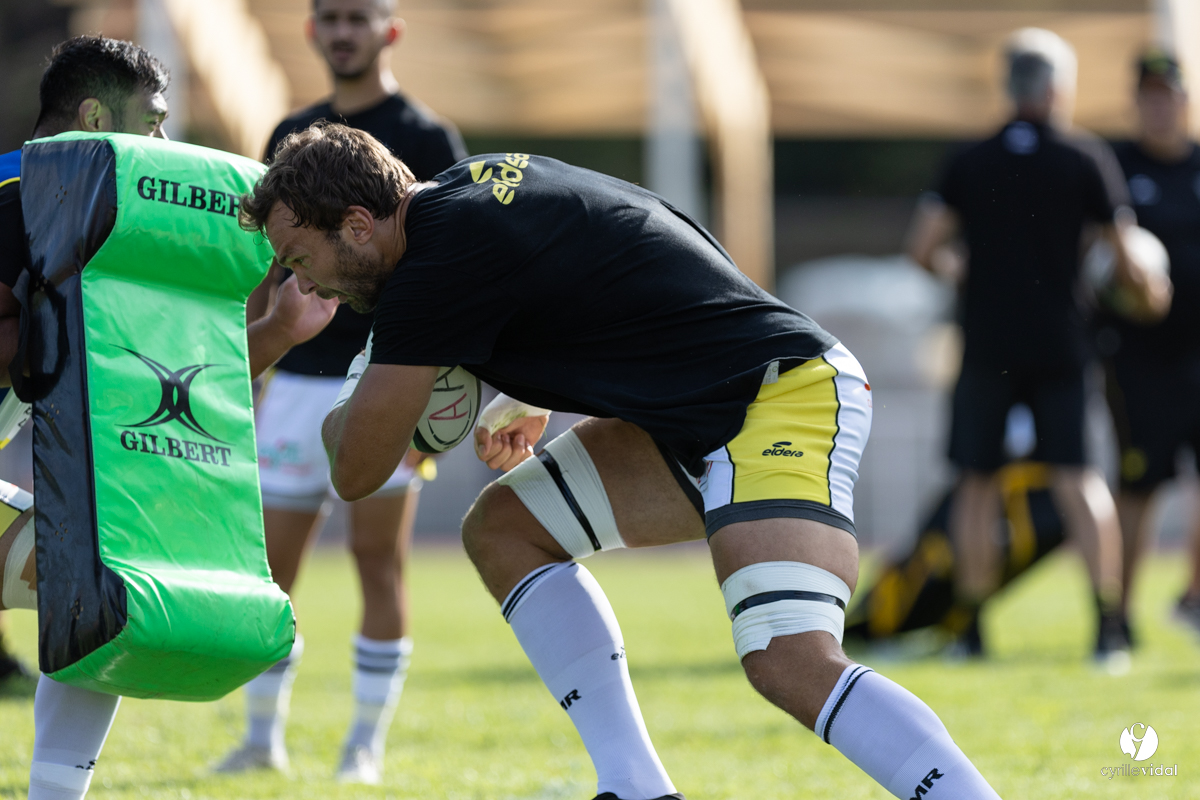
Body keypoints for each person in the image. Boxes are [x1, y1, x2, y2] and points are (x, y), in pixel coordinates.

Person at [239, 121, 1005, 800]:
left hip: (778, 395)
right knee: (506, 529)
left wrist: (297, 341)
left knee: (789, 661)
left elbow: (356, 470)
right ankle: (634, 787)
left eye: (302, 258)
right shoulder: (465, 193)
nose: (304, 282)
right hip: (695, 410)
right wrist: (525, 387)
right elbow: (620, 240)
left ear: (361, 224)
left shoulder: (435, 266)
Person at [0, 35, 336, 800]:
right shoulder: (20, 199)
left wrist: (281, 329)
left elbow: (161, 385)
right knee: (92, 574)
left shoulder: (90, 211)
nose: (162, 141)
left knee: (102, 579)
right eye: (150, 120)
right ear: (93, 115)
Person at [218, 0, 466, 782]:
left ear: (389, 29)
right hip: (292, 381)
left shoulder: (428, 136)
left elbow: (443, 258)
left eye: (358, 15)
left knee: (377, 562)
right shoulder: (291, 134)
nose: (342, 29)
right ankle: (262, 739)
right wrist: (251, 369)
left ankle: (364, 744)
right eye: (330, 16)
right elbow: (266, 266)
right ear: (312, 32)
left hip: (387, 373)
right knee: (268, 572)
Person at [906, 28, 1170, 663]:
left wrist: (961, 269)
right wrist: (1146, 293)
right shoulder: (1085, 158)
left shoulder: (969, 159)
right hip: (1062, 344)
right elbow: (1125, 259)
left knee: (976, 483)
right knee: (1078, 480)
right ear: (1057, 88)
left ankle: (969, 630)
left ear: (1010, 86)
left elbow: (923, 248)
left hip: (987, 341)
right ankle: (1108, 629)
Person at [1102, 51, 1200, 639]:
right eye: (1150, 96)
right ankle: (1120, 611)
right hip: (1139, 356)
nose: (1160, 107)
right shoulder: (1115, 167)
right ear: (1137, 102)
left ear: (1186, 101)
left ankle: (1193, 598)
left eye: (1170, 95)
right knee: (1139, 482)